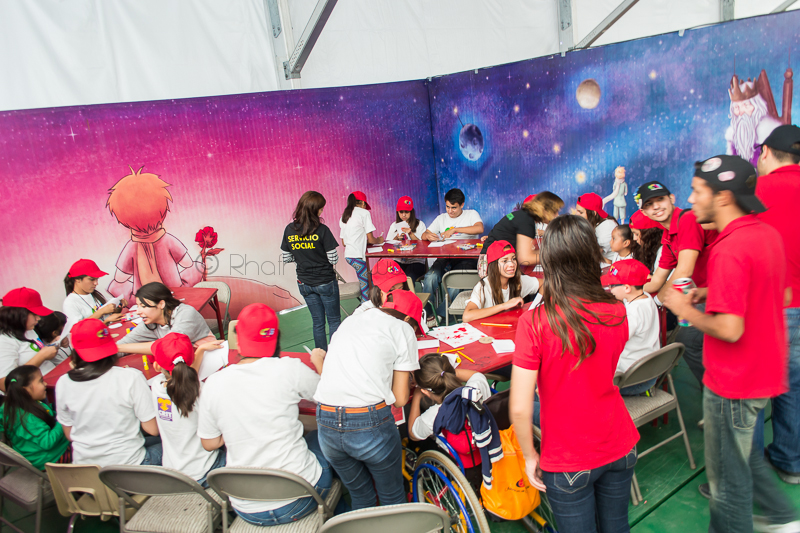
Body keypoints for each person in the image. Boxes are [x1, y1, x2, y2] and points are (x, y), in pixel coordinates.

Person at [662, 155, 799, 532]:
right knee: (744, 456)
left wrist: (682, 308)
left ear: (722, 197)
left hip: (733, 382)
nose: (691, 200)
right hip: (762, 373)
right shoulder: (765, 234)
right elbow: (777, 292)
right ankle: (783, 518)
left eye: (697, 191)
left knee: (727, 487)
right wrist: (709, 291)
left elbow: (730, 328)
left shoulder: (729, 248)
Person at [509, 215, 639, 533]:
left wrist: (529, 456)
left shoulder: (535, 322)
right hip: (620, 441)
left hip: (568, 455)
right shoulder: (617, 310)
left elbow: (520, 408)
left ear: (549, 260)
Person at [198, 303, 330, 526]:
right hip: (300, 497)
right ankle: (337, 514)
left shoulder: (213, 383)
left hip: (245, 506)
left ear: (238, 340)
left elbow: (209, 442)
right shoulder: (289, 368)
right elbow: (328, 396)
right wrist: (319, 363)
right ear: (276, 339)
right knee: (325, 437)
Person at [314, 290, 422, 510]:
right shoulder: (402, 329)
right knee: (392, 497)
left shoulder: (351, 320)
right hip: (369, 423)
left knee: (361, 496)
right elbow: (400, 399)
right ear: (408, 319)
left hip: (326, 422)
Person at [639, 180, 718, 389]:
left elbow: (684, 272)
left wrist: (656, 302)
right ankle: (717, 393)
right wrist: (626, 291)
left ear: (671, 199)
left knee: (688, 341)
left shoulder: (688, 219)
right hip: (703, 295)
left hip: (717, 292)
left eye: (660, 199)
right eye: (649, 204)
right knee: (694, 343)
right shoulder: (668, 236)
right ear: (644, 212)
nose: (656, 206)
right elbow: (657, 280)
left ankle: (717, 392)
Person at [755, 125, 800, 484]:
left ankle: (747, 474)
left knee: (750, 392)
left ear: (766, 152)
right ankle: (789, 462)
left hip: (765, 306)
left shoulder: (754, 191)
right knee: (794, 384)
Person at [56, 318, 162, 466]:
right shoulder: (130, 377)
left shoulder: (63, 382)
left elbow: (69, 434)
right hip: (131, 465)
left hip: (85, 468)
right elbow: (153, 429)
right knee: (173, 445)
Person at [150, 333, 225, 487]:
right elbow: (214, 442)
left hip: (173, 473)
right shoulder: (200, 391)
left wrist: (201, 350)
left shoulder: (156, 387)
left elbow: (182, 378)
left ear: (157, 366)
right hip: (205, 471)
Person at [408, 353, 492, 490]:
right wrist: (447, 373)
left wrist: (417, 395)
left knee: (419, 440)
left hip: (460, 462)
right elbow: (476, 375)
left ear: (425, 392)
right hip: (487, 447)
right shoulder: (476, 389)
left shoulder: (435, 414)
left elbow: (413, 433)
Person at [281, 191, 342, 351]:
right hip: (325, 282)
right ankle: (336, 356)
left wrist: (303, 257)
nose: (322, 211)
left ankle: (320, 356)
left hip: (304, 283)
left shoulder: (289, 229)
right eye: (321, 208)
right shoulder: (322, 230)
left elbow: (286, 258)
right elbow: (333, 259)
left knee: (318, 322)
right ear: (314, 210)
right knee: (334, 321)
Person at [421, 188, 484, 320]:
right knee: (430, 277)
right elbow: (424, 235)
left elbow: (479, 228)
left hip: (466, 258)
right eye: (447, 207)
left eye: (454, 207)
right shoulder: (441, 218)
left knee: (455, 283)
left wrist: (455, 230)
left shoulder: (471, 214)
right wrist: (428, 236)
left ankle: (440, 315)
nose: (450, 211)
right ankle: (428, 314)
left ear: (462, 205)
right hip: (445, 257)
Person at [602, 259, 660, 395]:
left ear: (627, 288)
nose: (609, 288)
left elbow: (613, 341)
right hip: (650, 371)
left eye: (611, 285)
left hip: (633, 380)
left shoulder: (633, 313)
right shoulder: (646, 297)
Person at [0, 366, 70, 469]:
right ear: (26, 390)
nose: (45, 384)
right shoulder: (28, 419)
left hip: (30, 454)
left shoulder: (7, 407)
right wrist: (63, 419)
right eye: (41, 381)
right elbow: (47, 442)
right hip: (51, 459)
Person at [116, 282, 214, 355]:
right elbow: (124, 344)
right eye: (138, 306)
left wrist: (118, 348)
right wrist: (113, 350)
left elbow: (171, 345)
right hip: (185, 366)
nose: (138, 312)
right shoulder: (151, 323)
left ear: (161, 304)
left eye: (143, 306)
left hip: (210, 359)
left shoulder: (186, 314)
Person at [462, 240, 539, 323]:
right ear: (494, 265)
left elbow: (545, 284)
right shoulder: (483, 286)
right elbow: (466, 316)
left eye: (513, 259)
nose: (512, 264)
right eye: (504, 261)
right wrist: (504, 306)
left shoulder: (519, 281)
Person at [482, 191, 564, 268]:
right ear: (545, 210)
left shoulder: (523, 216)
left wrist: (552, 253)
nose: (557, 215)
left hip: (497, 262)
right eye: (555, 211)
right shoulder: (526, 221)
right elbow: (525, 259)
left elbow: (526, 254)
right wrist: (557, 257)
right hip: (493, 266)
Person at [0, 288, 59, 391]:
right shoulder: (4, 340)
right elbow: (5, 384)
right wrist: (42, 356)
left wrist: (54, 344)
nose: (38, 318)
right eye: (34, 314)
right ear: (18, 314)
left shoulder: (28, 329)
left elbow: (32, 350)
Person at [340, 191, 383, 302]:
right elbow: (372, 239)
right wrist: (379, 240)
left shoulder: (345, 215)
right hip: (357, 257)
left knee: (369, 281)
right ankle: (366, 309)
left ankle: (372, 305)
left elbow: (344, 242)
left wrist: (363, 241)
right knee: (366, 288)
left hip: (349, 256)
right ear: (363, 203)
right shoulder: (364, 213)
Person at [62, 259, 125, 326]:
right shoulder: (70, 303)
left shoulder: (94, 294)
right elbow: (77, 328)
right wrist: (101, 312)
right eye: (92, 279)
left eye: (97, 279)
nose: (96, 283)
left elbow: (109, 307)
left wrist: (119, 304)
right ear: (77, 279)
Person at [386, 196, 427, 281]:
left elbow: (423, 246)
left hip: (416, 261)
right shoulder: (394, 225)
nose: (403, 215)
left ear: (411, 212)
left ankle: (408, 290)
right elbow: (387, 245)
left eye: (406, 212)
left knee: (408, 277)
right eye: (401, 212)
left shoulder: (420, 224)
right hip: (398, 261)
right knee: (391, 277)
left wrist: (410, 233)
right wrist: (397, 238)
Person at [575, 192, 618, 261]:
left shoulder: (608, 226)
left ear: (593, 213)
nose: (576, 214)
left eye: (580, 212)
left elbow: (591, 254)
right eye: (576, 210)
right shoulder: (592, 223)